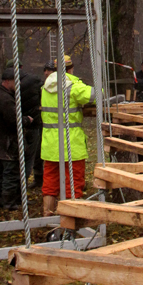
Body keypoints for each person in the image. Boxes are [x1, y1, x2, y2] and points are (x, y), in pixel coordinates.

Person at [40, 55, 96, 216]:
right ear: (71, 69)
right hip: (71, 144)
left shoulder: (46, 86)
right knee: (73, 183)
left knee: (50, 184)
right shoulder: (72, 85)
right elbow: (94, 95)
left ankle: (47, 217)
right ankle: (69, 221)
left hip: (50, 145)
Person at [0, 67, 33, 210]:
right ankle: (9, 202)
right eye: (15, 81)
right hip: (8, 142)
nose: (18, 84)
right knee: (10, 174)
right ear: (7, 81)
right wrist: (27, 120)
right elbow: (14, 120)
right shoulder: (6, 99)